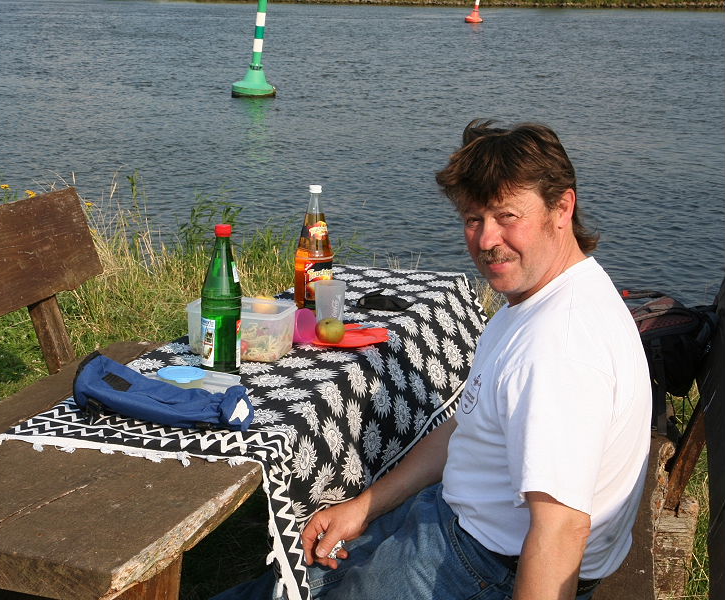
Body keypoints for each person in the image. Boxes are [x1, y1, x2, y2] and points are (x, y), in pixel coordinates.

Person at [211, 120, 651, 600]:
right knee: (286, 584)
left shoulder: (558, 348)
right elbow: (469, 424)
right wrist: (365, 506)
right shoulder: (541, 298)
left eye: (507, 216)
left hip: (486, 567)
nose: (486, 240)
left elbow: (560, 531)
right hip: (457, 521)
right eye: (473, 219)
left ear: (562, 207)